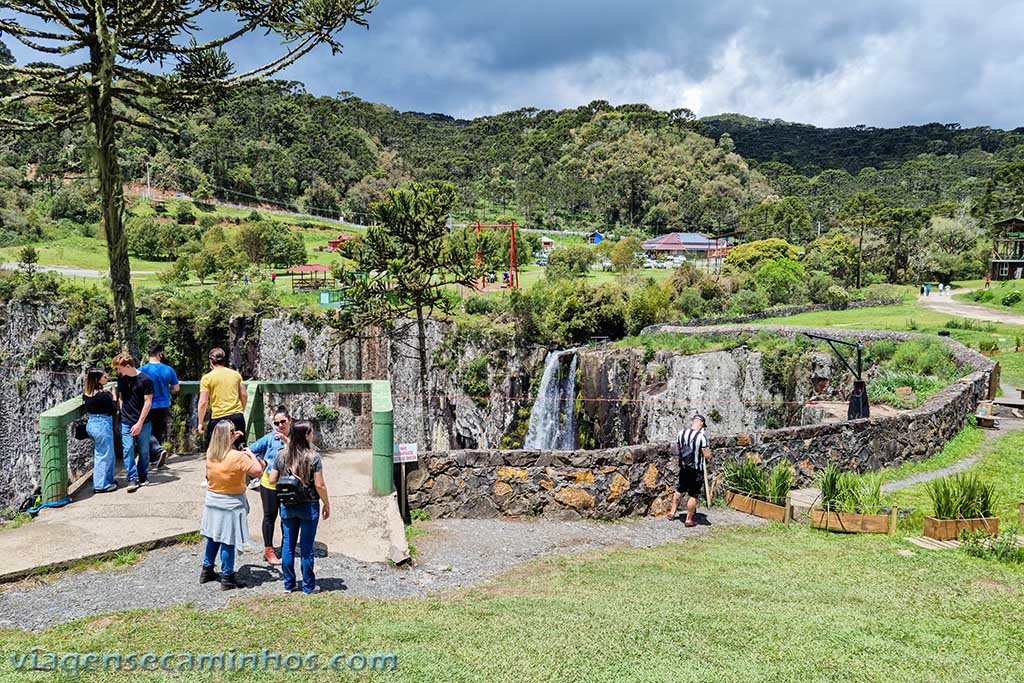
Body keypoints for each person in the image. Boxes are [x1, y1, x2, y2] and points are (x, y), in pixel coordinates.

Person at [199, 421, 264, 590]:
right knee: (229, 539)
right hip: (231, 502)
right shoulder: (238, 457)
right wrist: (250, 453)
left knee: (213, 537)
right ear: (229, 436)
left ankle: (207, 569)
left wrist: (231, 438)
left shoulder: (210, 453)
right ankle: (227, 576)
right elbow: (258, 471)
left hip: (213, 500)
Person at [269, 420, 330, 594]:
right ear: (305, 435)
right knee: (306, 546)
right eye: (311, 432)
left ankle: (289, 584)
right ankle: (308, 586)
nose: (313, 434)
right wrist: (326, 503)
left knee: (288, 545)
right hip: (309, 505)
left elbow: (272, 480)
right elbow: (320, 485)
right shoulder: (313, 457)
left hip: (287, 504)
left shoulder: (282, 455)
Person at [246, 406, 292, 566]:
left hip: (289, 485)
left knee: (287, 517)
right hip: (269, 484)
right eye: (276, 423)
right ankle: (268, 549)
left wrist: (288, 443)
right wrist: (259, 463)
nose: (280, 425)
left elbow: (305, 454)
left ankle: (287, 548)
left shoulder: (295, 437)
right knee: (269, 516)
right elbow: (249, 450)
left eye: (283, 422)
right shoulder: (270, 438)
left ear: (289, 421)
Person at [113, 352, 154, 493]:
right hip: (126, 420)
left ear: (128, 366)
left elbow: (148, 402)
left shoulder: (146, 380)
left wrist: (139, 423)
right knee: (128, 449)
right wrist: (119, 418)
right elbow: (121, 398)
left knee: (144, 450)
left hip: (143, 421)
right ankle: (132, 477)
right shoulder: (121, 379)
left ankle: (143, 476)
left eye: (120, 368)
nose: (118, 371)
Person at [139, 343, 180, 470]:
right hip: (163, 404)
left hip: (147, 404)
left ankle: (154, 456)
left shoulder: (142, 370)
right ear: (160, 354)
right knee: (159, 430)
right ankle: (157, 455)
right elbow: (176, 388)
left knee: (146, 430)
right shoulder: (168, 370)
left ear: (148, 354)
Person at [197, 347, 247, 448]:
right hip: (237, 416)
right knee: (242, 447)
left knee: (214, 450)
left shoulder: (207, 378)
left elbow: (203, 402)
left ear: (211, 361)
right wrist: (241, 410)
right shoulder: (235, 375)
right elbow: (244, 395)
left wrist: (200, 423)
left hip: (219, 418)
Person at [668, 414, 711, 527]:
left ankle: (672, 513)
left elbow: (679, 449)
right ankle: (688, 520)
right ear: (701, 423)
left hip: (684, 467)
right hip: (696, 470)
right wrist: (708, 454)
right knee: (693, 494)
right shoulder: (702, 437)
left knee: (679, 489)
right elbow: (706, 455)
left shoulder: (681, 433)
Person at [82, 367, 118, 494]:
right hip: (102, 425)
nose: (107, 378)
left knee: (106, 453)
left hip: (92, 424)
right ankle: (100, 485)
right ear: (98, 379)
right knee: (104, 455)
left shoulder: (87, 394)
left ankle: (108, 480)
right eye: (104, 377)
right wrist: (113, 396)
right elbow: (113, 409)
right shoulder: (103, 395)